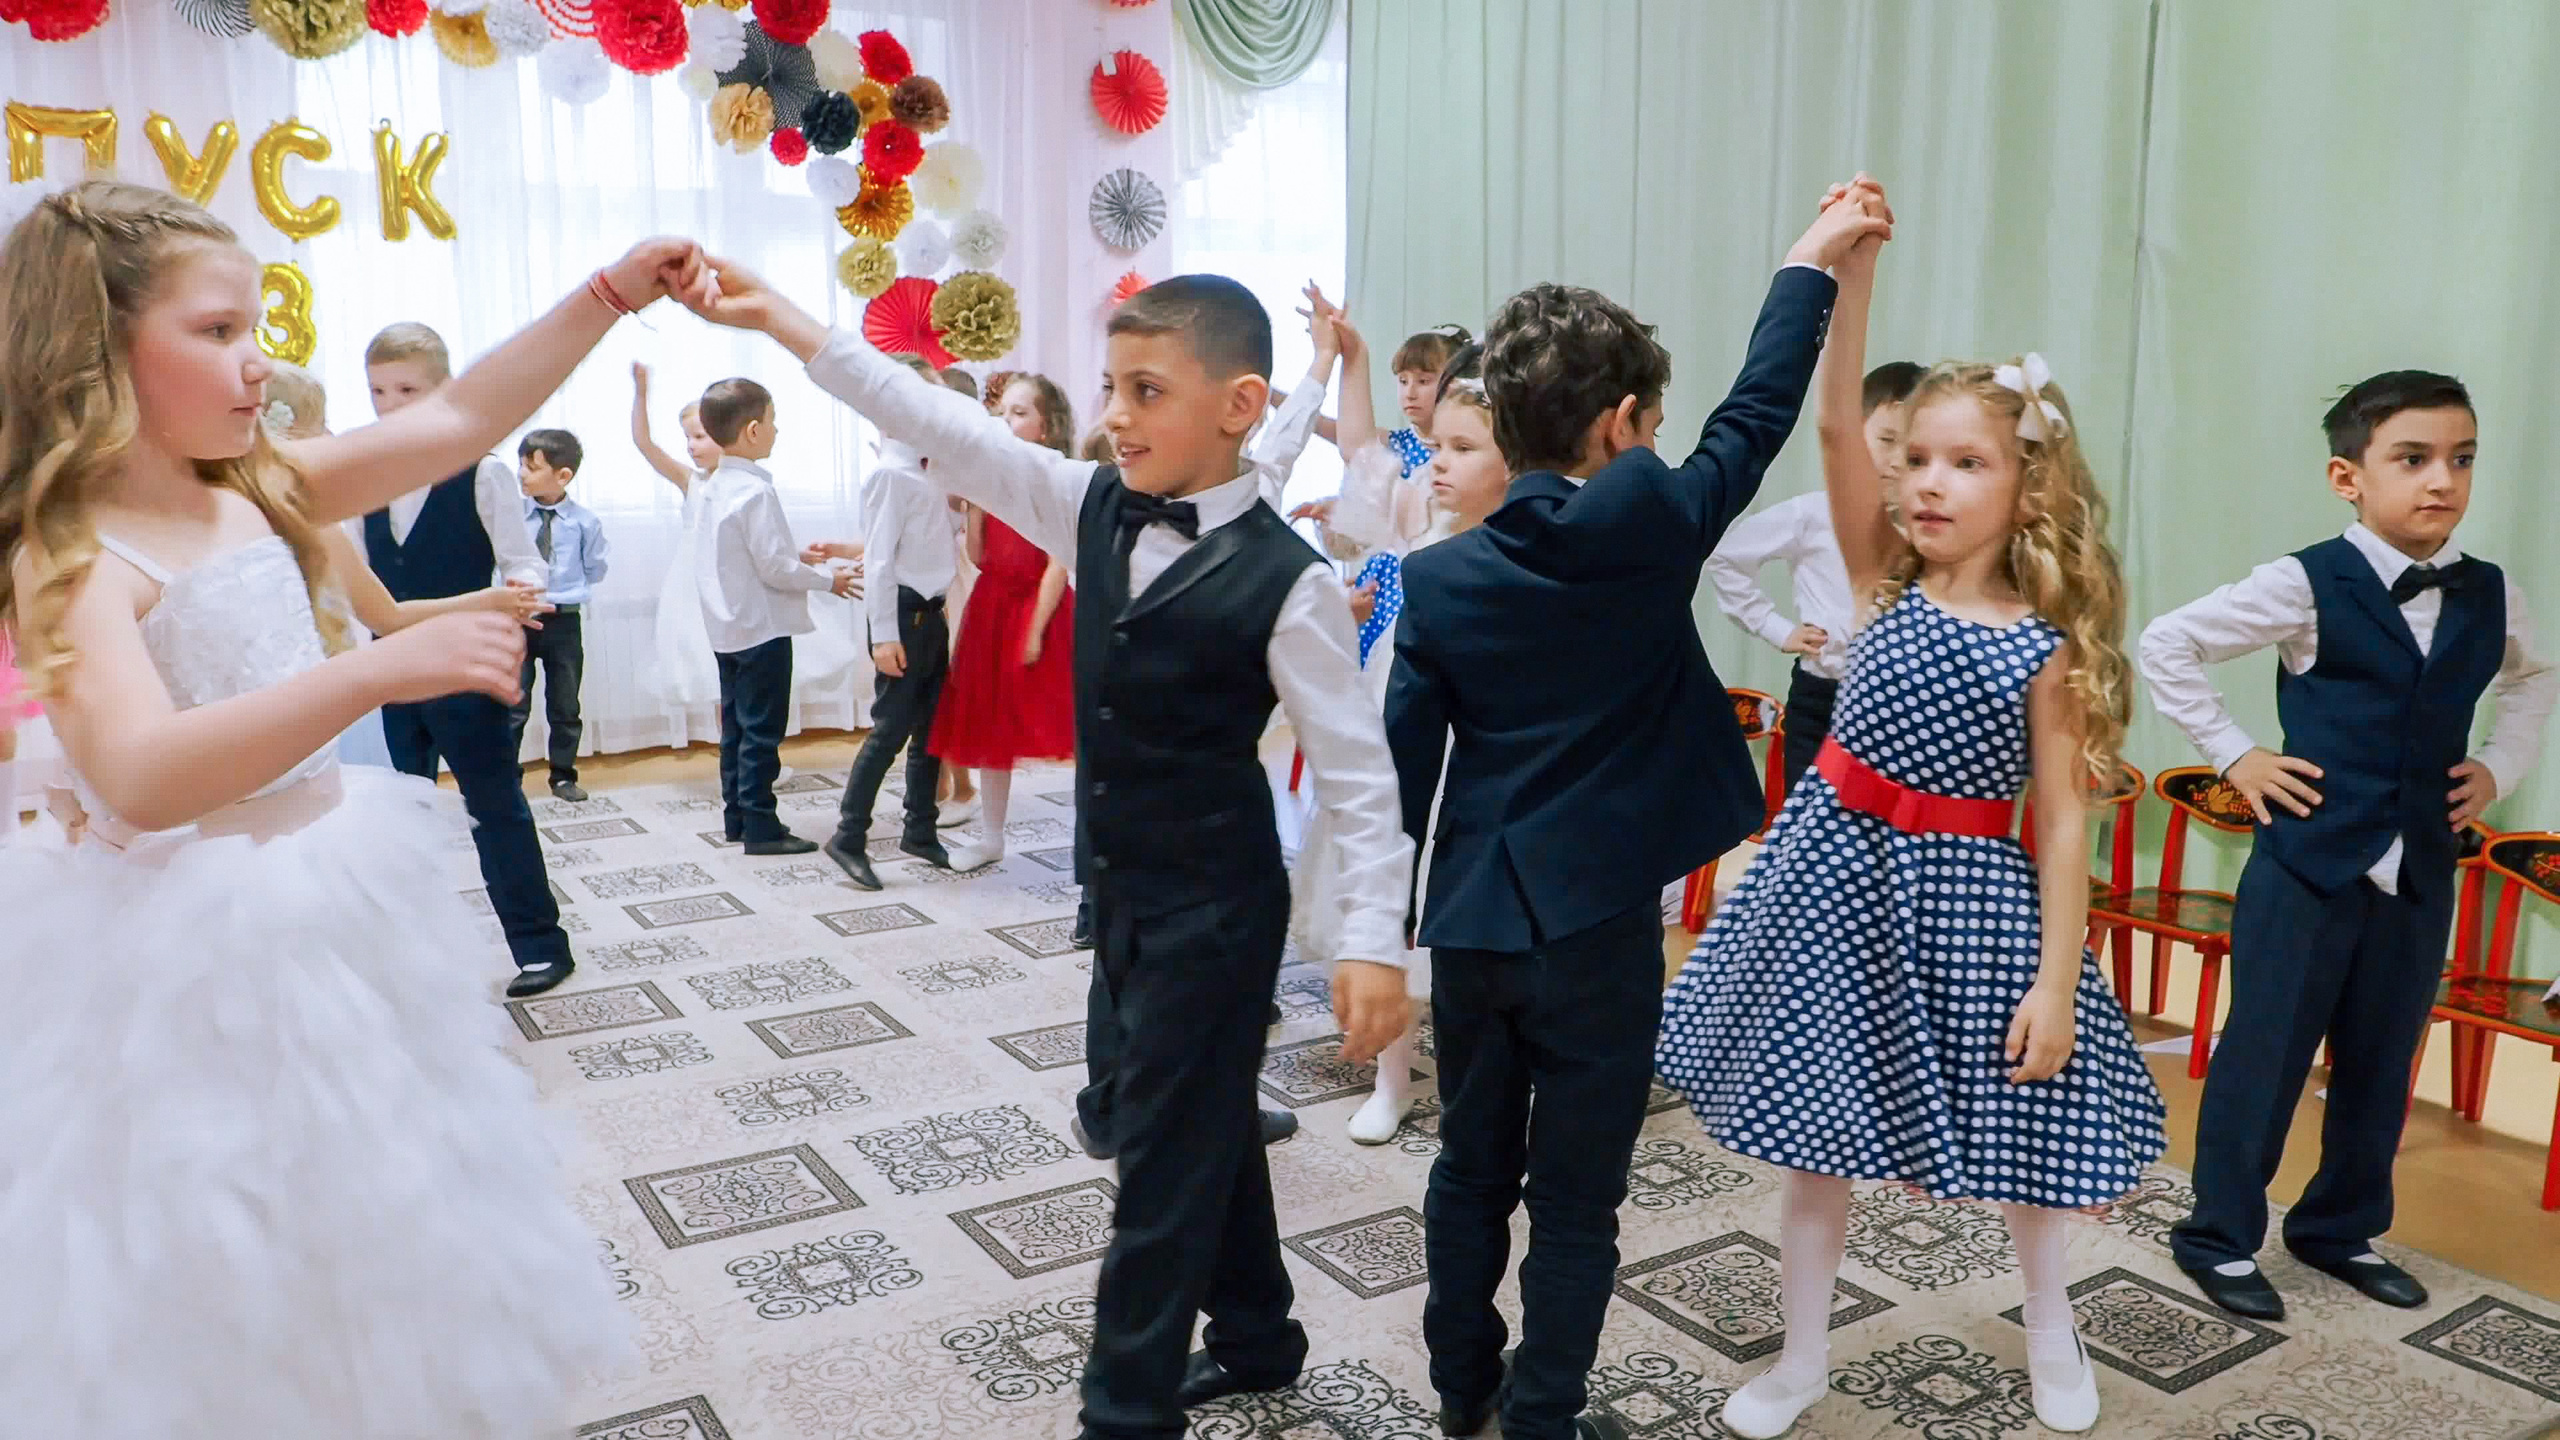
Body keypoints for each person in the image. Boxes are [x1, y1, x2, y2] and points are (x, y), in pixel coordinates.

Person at [680, 261, 1411, 1440]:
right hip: (1118, 890)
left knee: (1156, 1165)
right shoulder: (1089, 503)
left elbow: (1361, 778)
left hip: (1217, 911)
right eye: (1109, 387)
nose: (1113, 413)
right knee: (1194, 1113)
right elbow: (941, 425)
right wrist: (781, 320)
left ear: (1240, 406)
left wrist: (1373, 938)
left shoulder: (1292, 582)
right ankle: (1259, 1334)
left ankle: (1123, 1411)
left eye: (1145, 390)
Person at [0, 177, 673, 1435]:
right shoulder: (74, 552)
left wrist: (608, 294)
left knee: (381, 1190)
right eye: (218, 332)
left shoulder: (261, 484)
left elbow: (462, 414)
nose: (257, 362)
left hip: (331, 895)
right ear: (96, 352)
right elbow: (139, 773)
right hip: (192, 945)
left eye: (253, 328)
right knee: (228, 1226)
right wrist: (374, 669)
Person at [1655, 179, 2168, 1439]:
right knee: (1817, 1136)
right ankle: (1798, 1359)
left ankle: (2050, 1330)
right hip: (1835, 878)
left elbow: (2062, 822)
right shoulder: (1878, 571)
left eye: (1966, 463)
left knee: (2027, 1125)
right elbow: (1839, 427)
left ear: (2028, 486)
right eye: (1918, 458)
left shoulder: (2043, 643)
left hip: (1973, 893)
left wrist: (2057, 981)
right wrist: (1853, 275)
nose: (1928, 482)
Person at [1384, 183, 1889, 1440]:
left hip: (1474, 923)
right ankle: (1543, 1415)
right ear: (1620, 425)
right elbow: (1758, 411)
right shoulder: (1651, 521)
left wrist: (1381, 930)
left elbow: (1401, 771)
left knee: (1467, 1168)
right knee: (1576, 1201)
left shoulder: (1437, 581)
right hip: (1600, 926)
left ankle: (1461, 1390)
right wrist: (1807, 260)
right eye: (1653, 426)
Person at [2141, 370, 2555, 1321]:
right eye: (2412, 458)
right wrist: (2237, 754)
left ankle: (2339, 1229)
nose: (2441, 479)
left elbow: (2536, 680)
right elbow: (2168, 642)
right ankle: (2217, 1237)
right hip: (2307, 867)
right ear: (2348, 476)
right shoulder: (2304, 582)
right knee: (2267, 1054)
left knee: (2381, 1056)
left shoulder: (2493, 592)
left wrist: (2498, 766)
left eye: (2461, 458)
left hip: (2421, 868)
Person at [1295, 337, 1503, 1146]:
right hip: (1408, 700)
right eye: (1438, 444)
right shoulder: (1418, 498)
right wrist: (1349, 361)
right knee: (1398, 866)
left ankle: (1485, 1062)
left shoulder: (1529, 527)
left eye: (1463, 446)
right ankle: (1393, 1077)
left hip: (1489, 717)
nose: (1439, 460)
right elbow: (1362, 454)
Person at [361, 321, 578, 997]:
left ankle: (540, 946)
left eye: (407, 390)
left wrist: (519, 602)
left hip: (464, 666)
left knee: (494, 805)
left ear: (442, 390)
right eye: (378, 392)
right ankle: (414, 951)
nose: (390, 405)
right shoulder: (363, 478)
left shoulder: (483, 472)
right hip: (390, 669)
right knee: (400, 813)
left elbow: (522, 562)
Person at [1706, 359, 1923, 792]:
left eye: (1915, 451)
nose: (1898, 461)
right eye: (1886, 440)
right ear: (1853, 435)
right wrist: (1777, 628)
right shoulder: (1813, 514)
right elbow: (1727, 558)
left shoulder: (1930, 529)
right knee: (1805, 814)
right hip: (1820, 696)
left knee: (1882, 818)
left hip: (1900, 704)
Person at [808, 356, 966, 888]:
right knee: (890, 731)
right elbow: (878, 560)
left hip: (933, 614)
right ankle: (849, 835)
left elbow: (942, 533)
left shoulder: (927, 471)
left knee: (932, 729)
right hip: (904, 616)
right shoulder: (890, 475)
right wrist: (883, 636)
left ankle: (920, 828)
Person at [693, 377, 860, 856]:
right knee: (763, 732)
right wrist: (829, 580)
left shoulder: (713, 487)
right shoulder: (754, 492)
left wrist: (796, 557)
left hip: (727, 627)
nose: (776, 430)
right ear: (752, 430)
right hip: (761, 629)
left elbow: (740, 555)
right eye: (772, 421)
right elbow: (774, 569)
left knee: (736, 729)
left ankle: (738, 818)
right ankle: (762, 828)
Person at [929, 372, 1081, 873]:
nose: (1006, 420)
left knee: (1071, 722)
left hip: (1043, 608)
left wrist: (1035, 628)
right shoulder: (992, 480)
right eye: (1002, 412)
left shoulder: (1057, 481)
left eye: (1020, 412)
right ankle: (991, 836)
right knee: (991, 726)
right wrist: (975, 505)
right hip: (992, 607)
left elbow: (1059, 562)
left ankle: (1097, 832)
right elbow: (978, 555)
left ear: (1046, 427)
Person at [509, 428, 607, 800]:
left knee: (565, 703)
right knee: (513, 703)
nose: (522, 474)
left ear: (563, 475)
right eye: (520, 465)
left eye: (531, 468)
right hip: (518, 621)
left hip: (564, 622)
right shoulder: (512, 517)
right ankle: (507, 777)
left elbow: (595, 568)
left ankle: (563, 776)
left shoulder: (585, 522)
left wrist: (564, 591)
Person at [630, 361, 724, 712]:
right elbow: (645, 444)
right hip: (693, 587)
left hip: (730, 583)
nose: (690, 446)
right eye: (687, 438)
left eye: (699, 437)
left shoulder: (746, 482)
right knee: (708, 668)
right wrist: (641, 394)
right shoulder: (691, 481)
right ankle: (730, 745)